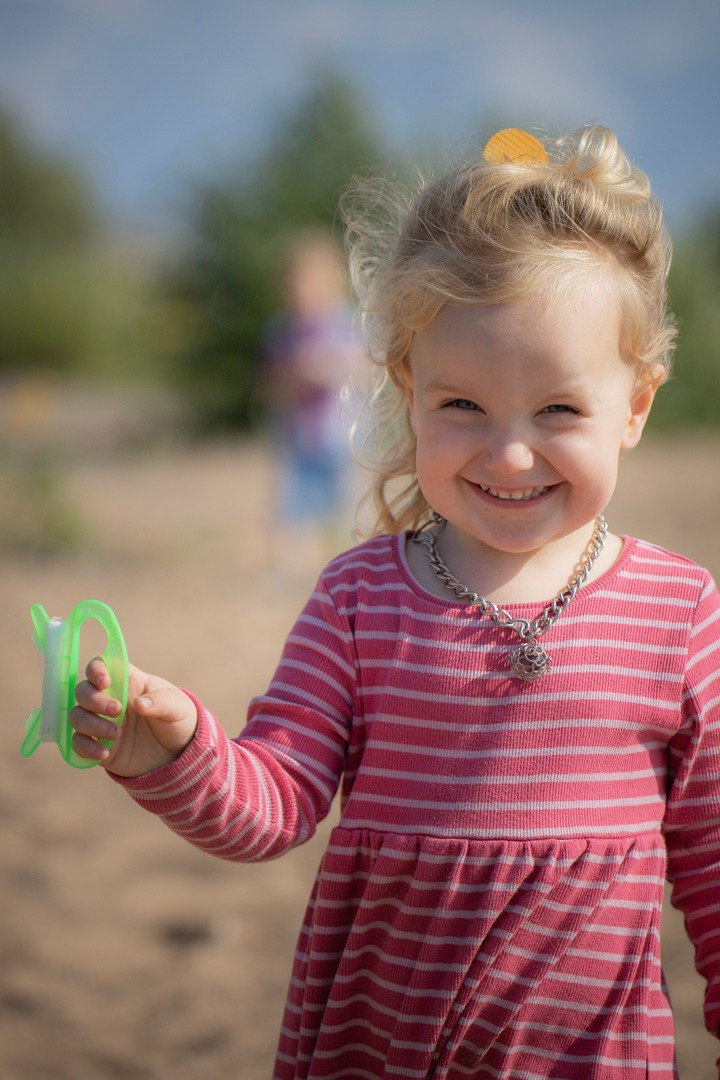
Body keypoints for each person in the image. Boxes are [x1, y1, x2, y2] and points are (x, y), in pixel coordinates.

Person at [70, 126, 720, 1079]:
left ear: (635, 406)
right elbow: (275, 805)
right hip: (380, 1049)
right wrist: (169, 753)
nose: (508, 453)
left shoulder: (679, 612)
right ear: (408, 391)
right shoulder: (360, 596)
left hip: (593, 1059)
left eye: (559, 411)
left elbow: (711, 860)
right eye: (462, 405)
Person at [262, 231, 362, 568]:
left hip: (340, 436)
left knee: (344, 508)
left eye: (310, 283)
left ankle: (344, 567)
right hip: (299, 437)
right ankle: (292, 569)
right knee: (293, 507)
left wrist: (324, 370)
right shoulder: (283, 332)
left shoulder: (346, 325)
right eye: (295, 285)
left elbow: (365, 369)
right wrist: (291, 377)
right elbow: (271, 384)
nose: (302, 293)